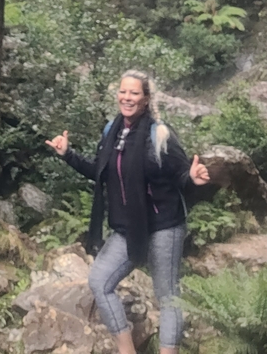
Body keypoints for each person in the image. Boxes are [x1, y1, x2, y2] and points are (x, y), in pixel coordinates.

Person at [45, 70, 211, 354]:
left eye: (134, 93)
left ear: (145, 99)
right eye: (123, 92)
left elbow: (181, 174)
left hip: (164, 225)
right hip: (127, 227)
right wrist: (68, 155)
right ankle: (127, 350)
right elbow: (100, 172)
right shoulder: (112, 131)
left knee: (167, 296)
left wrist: (193, 178)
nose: (127, 97)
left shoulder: (159, 134)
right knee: (100, 281)